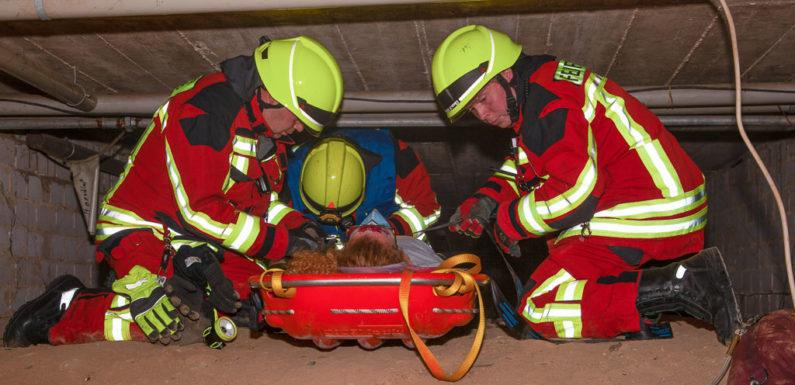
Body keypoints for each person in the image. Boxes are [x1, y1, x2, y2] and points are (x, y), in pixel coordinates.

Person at [3, 35, 343, 347]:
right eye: (297, 119)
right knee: (181, 322)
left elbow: (258, 206)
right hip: (146, 230)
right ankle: (60, 312)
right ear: (268, 94)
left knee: (255, 300)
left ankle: (185, 295)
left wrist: (298, 225)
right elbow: (200, 211)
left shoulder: (269, 134)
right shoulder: (205, 112)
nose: (299, 130)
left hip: (200, 240)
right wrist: (282, 242)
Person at [431, 25, 742, 344]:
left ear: (506, 74)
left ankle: (687, 284)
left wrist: (512, 221)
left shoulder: (547, 104)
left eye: (482, 98)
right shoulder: (540, 88)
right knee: (563, 274)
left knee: (540, 307)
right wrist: (486, 201)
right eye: (472, 109)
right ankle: (643, 318)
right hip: (652, 196)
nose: (481, 114)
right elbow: (529, 167)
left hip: (649, 202)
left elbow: (577, 193)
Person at [284, 128, 441, 244]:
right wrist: (302, 230)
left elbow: (429, 210)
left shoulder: (395, 159)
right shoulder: (286, 170)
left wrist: (384, 231)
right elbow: (269, 212)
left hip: (397, 257)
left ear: (364, 181)